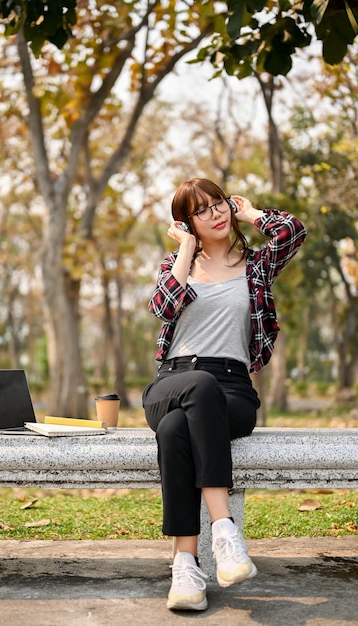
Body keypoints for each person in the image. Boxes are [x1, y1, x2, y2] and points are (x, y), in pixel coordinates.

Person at [142, 178, 306, 611]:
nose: (215, 214)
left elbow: (293, 231)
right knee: (195, 389)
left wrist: (251, 213)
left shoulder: (255, 264)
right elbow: (163, 307)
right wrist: (185, 251)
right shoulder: (175, 264)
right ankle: (225, 531)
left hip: (232, 389)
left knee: (176, 430)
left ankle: (185, 568)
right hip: (173, 382)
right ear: (186, 223)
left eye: (218, 205)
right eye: (201, 211)